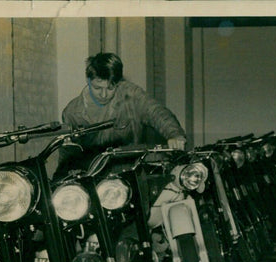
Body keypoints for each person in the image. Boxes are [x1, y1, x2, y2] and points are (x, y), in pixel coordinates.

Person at [57, 52, 187, 173]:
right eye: (97, 88)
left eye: (110, 88)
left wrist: (174, 134)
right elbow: (68, 155)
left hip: (132, 172)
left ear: (118, 83)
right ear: (88, 80)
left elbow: (156, 112)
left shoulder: (131, 95)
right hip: (96, 178)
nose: (103, 95)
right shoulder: (72, 113)